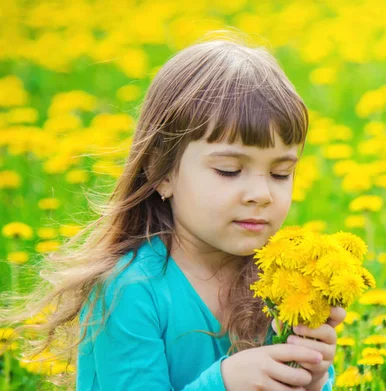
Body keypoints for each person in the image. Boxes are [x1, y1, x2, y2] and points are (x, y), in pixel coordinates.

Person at [1, 32, 345, 390]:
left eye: (280, 173)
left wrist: (312, 375)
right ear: (161, 172)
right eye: (229, 170)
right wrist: (224, 383)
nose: (261, 194)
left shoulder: (278, 282)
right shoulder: (130, 291)